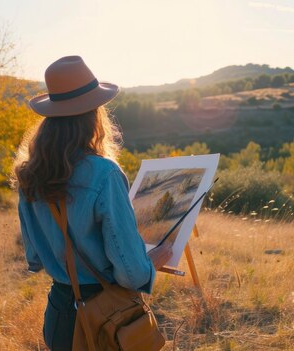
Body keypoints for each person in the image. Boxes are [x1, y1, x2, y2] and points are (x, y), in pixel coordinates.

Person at [12, 56, 173, 351]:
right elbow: (132, 274)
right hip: (102, 318)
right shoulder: (104, 173)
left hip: (58, 314)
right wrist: (153, 262)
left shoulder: (29, 174)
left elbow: (34, 256)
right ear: (94, 116)